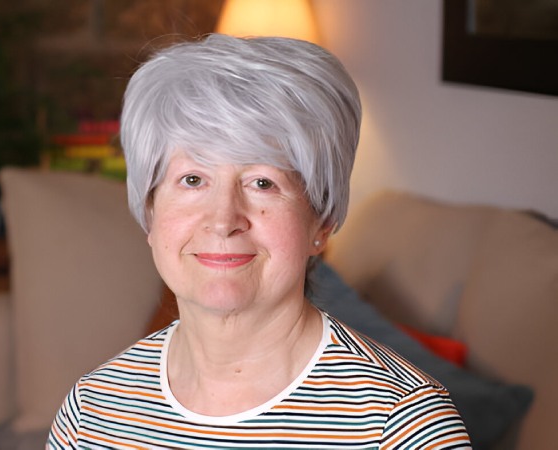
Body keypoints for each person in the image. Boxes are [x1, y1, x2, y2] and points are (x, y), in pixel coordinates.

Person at [47, 34, 470, 449]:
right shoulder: (91, 413)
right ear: (151, 214)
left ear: (320, 223)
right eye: (193, 179)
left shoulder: (402, 426)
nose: (223, 219)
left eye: (263, 183)